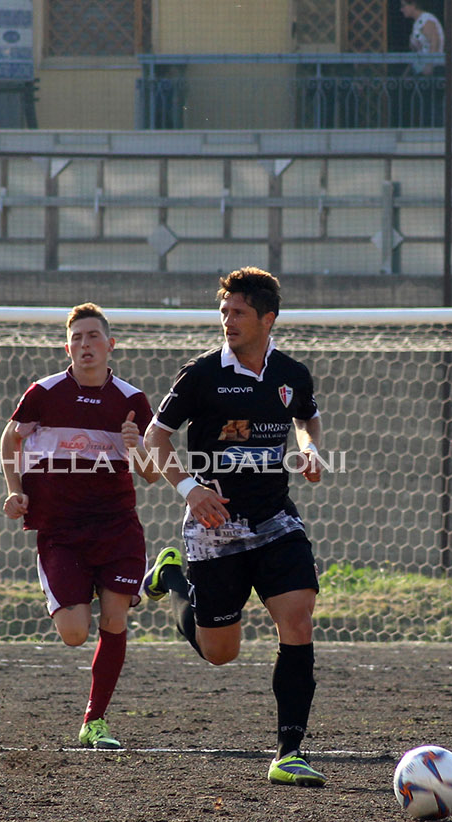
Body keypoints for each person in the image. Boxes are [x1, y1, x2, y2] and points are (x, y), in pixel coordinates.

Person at [140, 267, 327, 786]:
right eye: (223, 312)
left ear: (268, 319)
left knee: (298, 621)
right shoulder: (200, 374)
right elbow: (155, 442)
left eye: (238, 312)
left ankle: (289, 752)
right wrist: (191, 490)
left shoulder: (291, 373)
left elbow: (306, 417)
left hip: (274, 520)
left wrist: (310, 449)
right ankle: (173, 577)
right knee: (221, 653)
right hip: (213, 527)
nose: (227, 321)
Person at [0, 302, 160, 750]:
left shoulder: (131, 401)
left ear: (111, 345)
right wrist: (16, 489)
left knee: (114, 618)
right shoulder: (44, 392)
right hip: (61, 530)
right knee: (74, 633)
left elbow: (149, 473)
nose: (85, 345)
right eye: (77, 338)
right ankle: (132, 583)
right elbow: (10, 437)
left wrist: (135, 446)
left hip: (116, 526)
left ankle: (95, 721)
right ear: (66, 347)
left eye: (93, 337)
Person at [399, 0, 445, 127]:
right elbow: (417, 52)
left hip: (433, 70)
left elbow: (434, 42)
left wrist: (429, 65)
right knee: (423, 104)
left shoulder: (426, 20)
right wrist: (407, 72)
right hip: (421, 69)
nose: (401, 9)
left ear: (413, 5)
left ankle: (436, 135)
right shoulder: (417, 23)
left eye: (404, 6)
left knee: (432, 104)